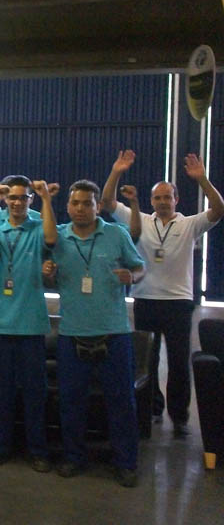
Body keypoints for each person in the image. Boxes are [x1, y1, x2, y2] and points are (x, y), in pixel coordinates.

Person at [101, 150, 223, 437]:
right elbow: (107, 202)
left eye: (168, 197)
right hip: (146, 300)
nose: (163, 202)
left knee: (179, 363)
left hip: (179, 303)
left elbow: (218, 209)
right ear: (152, 201)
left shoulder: (189, 224)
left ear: (176, 200)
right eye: (158, 197)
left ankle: (179, 417)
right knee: (148, 362)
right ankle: (151, 409)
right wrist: (116, 171)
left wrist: (202, 179)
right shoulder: (140, 220)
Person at [43, 179, 144, 487]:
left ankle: (125, 462)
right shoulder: (57, 237)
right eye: (75, 203)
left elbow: (139, 267)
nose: (80, 209)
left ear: (97, 206)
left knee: (121, 402)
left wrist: (133, 276)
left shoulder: (116, 234)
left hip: (114, 333)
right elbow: (48, 281)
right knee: (70, 401)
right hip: (72, 333)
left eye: (87, 203)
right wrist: (47, 275)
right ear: (67, 206)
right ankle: (74, 457)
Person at [0, 176, 56, 472]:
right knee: (1, 391)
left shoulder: (37, 227)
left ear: (30, 200)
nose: (16, 202)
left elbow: (51, 239)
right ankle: (0, 445)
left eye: (22, 198)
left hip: (31, 325)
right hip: (1, 324)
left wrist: (47, 198)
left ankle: (37, 449)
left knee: (34, 392)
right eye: (11, 197)